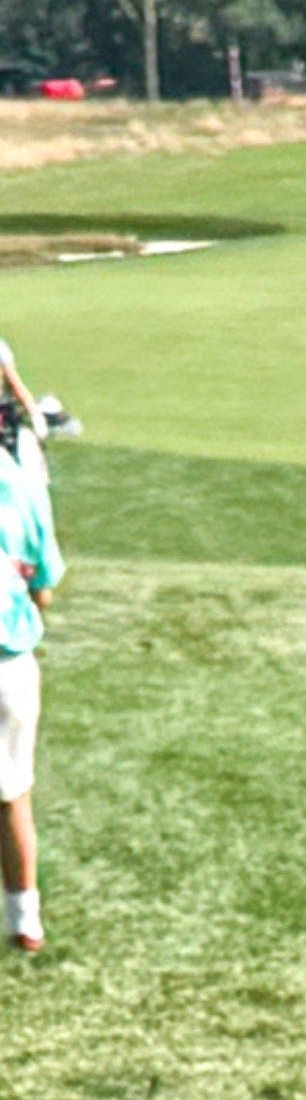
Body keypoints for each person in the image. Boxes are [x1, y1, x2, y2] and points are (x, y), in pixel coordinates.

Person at [0, 382, 62, 958]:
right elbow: (44, 588)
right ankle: (27, 919)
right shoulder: (21, 482)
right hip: (13, 664)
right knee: (13, 793)